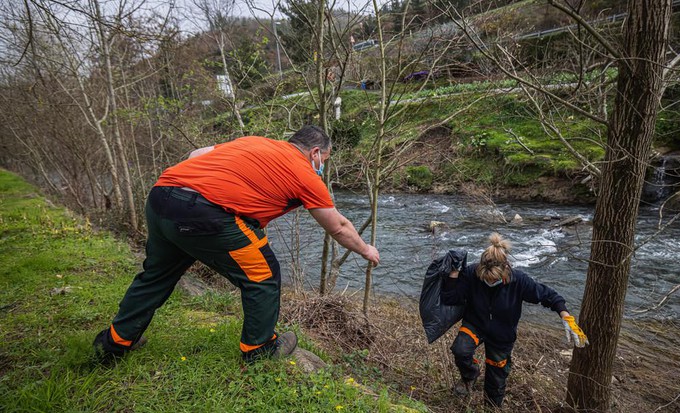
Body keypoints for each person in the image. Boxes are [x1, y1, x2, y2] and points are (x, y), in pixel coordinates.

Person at [93, 125, 380, 362]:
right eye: (324, 161)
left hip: (162, 196)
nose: (321, 167)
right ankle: (260, 348)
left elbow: (198, 153)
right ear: (315, 152)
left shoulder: (255, 142)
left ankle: (114, 342)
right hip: (204, 213)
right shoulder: (304, 171)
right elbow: (339, 227)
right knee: (264, 275)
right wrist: (366, 249)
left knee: (156, 274)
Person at [440, 233, 588, 409]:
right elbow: (451, 298)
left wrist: (566, 316)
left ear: (505, 270)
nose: (489, 281)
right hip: (475, 324)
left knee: (496, 380)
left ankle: (491, 407)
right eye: (485, 278)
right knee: (460, 350)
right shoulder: (472, 273)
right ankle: (470, 375)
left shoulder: (519, 281)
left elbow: (549, 296)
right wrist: (454, 274)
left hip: (502, 335)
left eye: (494, 279)